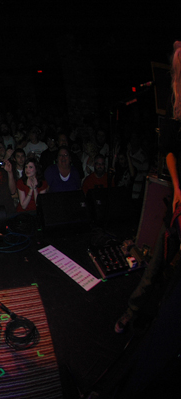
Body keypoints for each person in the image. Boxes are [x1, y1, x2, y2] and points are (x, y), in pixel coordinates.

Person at [114, 41, 181, 334]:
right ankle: (132, 311)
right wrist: (177, 187)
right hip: (179, 204)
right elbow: (168, 148)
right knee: (154, 265)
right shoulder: (174, 102)